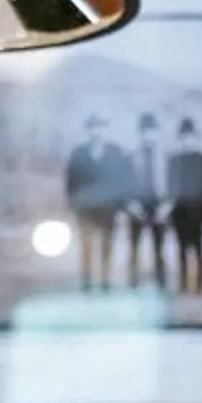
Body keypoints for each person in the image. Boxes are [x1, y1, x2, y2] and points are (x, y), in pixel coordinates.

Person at [64, 113, 130, 293]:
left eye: (100, 127)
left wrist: (121, 205)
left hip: (108, 208)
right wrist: (73, 203)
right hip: (85, 209)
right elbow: (71, 180)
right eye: (93, 128)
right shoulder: (79, 153)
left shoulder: (115, 152)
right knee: (86, 245)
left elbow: (122, 180)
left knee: (107, 245)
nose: (96, 132)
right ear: (88, 131)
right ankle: (86, 281)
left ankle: (105, 280)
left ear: (105, 130)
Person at [168, 118, 202, 293]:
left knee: (199, 251)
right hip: (180, 214)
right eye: (184, 137)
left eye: (191, 137)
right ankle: (182, 284)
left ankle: (200, 285)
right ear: (180, 140)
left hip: (199, 215)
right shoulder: (173, 161)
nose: (187, 141)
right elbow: (170, 188)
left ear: (196, 138)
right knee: (181, 251)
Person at [126, 110, 171, 293]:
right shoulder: (131, 157)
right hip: (137, 205)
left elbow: (173, 183)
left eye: (152, 131)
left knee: (159, 247)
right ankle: (133, 283)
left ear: (157, 133)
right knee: (135, 246)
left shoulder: (165, 157)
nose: (148, 136)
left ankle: (161, 282)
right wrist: (131, 204)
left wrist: (167, 206)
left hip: (159, 205)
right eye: (144, 132)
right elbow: (124, 183)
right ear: (139, 134)